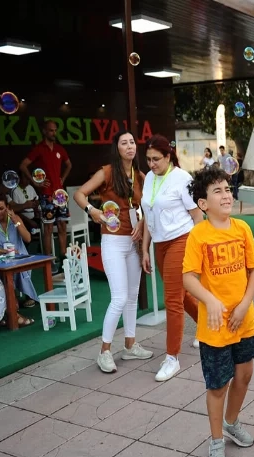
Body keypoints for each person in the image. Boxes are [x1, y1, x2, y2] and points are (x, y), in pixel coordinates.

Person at [183, 167, 254, 457]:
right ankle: (216, 441)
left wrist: (244, 305)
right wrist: (211, 299)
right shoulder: (198, 235)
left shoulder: (241, 229)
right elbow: (189, 277)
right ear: (203, 204)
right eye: (217, 191)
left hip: (244, 319)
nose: (226, 194)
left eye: (227, 189)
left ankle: (231, 422)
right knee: (218, 385)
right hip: (214, 327)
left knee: (243, 375)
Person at [75, 130, 153, 374]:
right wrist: (92, 210)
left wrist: (141, 223)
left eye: (132, 142)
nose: (130, 146)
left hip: (134, 243)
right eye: (124, 142)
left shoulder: (140, 176)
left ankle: (129, 346)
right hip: (112, 241)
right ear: (116, 148)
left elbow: (146, 207)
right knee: (119, 298)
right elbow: (79, 194)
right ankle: (104, 351)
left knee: (131, 297)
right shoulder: (107, 171)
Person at [141, 134, 204, 381]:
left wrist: (198, 247)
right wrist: (145, 248)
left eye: (156, 159)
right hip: (159, 244)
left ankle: (171, 358)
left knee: (172, 301)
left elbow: (197, 215)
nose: (152, 163)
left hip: (182, 240)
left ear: (168, 156)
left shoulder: (182, 178)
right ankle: (210, 327)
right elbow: (148, 213)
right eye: (148, 159)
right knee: (182, 294)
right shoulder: (148, 179)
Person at [19, 120, 73, 271]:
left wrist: (62, 178)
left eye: (55, 130)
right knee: (48, 229)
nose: (53, 133)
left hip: (60, 195)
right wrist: (35, 183)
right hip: (46, 195)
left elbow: (69, 165)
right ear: (44, 131)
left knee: (62, 226)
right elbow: (23, 165)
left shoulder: (59, 149)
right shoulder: (38, 149)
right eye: (50, 130)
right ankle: (49, 261)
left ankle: (63, 259)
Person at [0, 193, 39, 322]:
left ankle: (15, 305)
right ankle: (10, 309)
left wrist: (16, 222)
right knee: (4, 273)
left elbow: (28, 238)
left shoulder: (16, 219)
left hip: (20, 257)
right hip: (1, 259)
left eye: (1, 208)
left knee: (16, 270)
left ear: (8, 207)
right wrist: (3, 251)